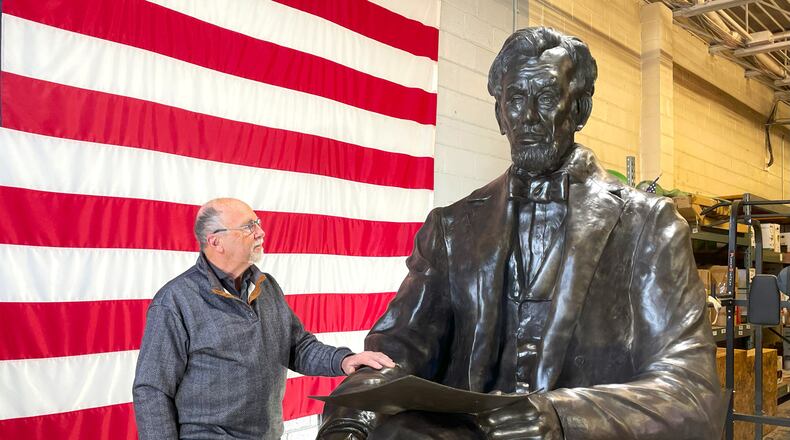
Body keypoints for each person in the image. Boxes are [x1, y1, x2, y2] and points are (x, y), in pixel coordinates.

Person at [318, 27, 723, 439]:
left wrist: (563, 417)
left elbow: (692, 392)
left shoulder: (648, 224)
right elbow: (397, 349)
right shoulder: (452, 227)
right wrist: (353, 416)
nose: (528, 117)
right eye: (515, 99)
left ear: (580, 110)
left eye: (546, 98)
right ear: (499, 114)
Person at [133, 198, 394, 439]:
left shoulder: (266, 287)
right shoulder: (175, 300)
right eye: (248, 226)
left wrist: (345, 360)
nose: (260, 232)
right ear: (216, 242)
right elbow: (152, 390)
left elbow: (297, 347)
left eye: (257, 223)